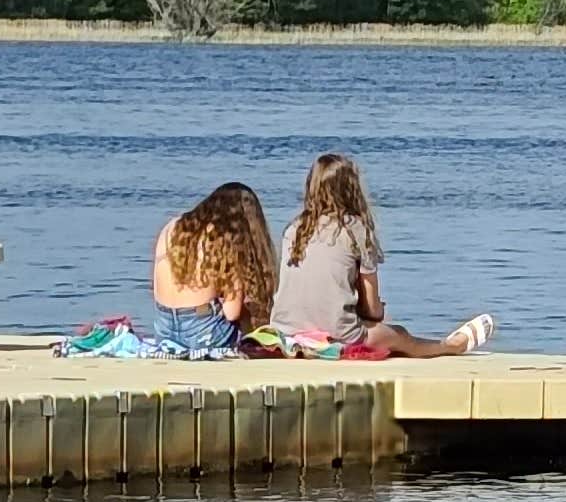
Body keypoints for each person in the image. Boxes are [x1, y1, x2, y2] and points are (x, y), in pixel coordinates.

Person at [268, 152, 490, 359]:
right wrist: (378, 312)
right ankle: (451, 347)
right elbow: (371, 307)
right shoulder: (355, 230)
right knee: (399, 336)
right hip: (337, 334)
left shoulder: (293, 229)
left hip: (286, 330)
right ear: (351, 189)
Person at [148, 184, 282, 355]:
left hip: (164, 328)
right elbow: (231, 313)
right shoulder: (222, 238)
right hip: (203, 331)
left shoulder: (171, 227)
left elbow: (156, 287)